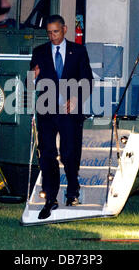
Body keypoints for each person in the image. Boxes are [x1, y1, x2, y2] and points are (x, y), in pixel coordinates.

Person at [29, 15, 93, 220]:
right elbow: (32, 82)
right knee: (47, 153)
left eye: (56, 32)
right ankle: (50, 198)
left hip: (69, 110)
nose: (53, 36)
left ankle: (72, 191)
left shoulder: (78, 51)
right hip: (46, 110)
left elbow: (87, 80)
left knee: (69, 152)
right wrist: (32, 77)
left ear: (64, 29)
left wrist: (76, 98)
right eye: (49, 33)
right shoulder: (39, 52)